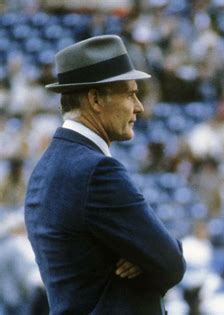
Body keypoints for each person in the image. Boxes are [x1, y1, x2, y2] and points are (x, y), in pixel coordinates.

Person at [24, 35, 186, 314]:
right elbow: (170, 263)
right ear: (96, 99)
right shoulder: (96, 170)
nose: (139, 106)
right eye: (130, 93)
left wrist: (149, 254)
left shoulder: (46, 168)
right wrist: (150, 254)